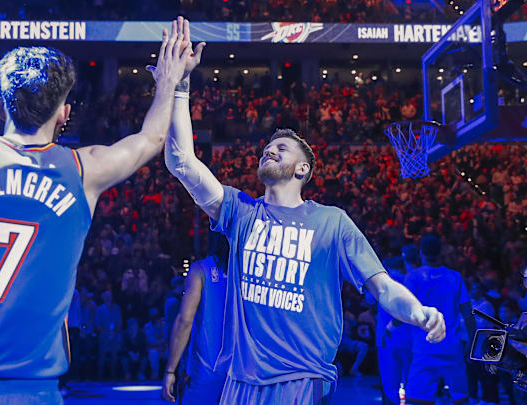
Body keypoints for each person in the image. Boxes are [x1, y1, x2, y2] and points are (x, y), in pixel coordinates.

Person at [0, 17, 194, 405]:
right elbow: (152, 138)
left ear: (0, 106)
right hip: (32, 394)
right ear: (64, 114)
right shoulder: (85, 169)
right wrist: (171, 80)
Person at [161, 80, 447, 403]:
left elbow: (383, 287)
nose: (270, 150)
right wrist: (181, 87)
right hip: (240, 384)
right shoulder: (240, 212)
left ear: (302, 169)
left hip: (300, 381)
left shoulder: (331, 222)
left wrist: (419, 312)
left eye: (281, 149)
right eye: (268, 147)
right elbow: (180, 161)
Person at [403, 235, 475, 405]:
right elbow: (468, 313)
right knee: (460, 398)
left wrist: (390, 328)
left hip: (423, 346)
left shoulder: (413, 277)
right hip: (452, 346)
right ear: (441, 252)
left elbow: (404, 312)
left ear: (421, 252)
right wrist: (472, 342)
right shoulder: (455, 277)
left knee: (418, 399)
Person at [162, 232, 229, 404]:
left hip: (205, 373)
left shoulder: (201, 270)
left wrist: (170, 370)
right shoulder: (249, 271)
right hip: (242, 374)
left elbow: (185, 320)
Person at [376, 256, 412, 405]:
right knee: (412, 381)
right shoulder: (410, 280)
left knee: (390, 384)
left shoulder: (381, 283)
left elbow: (369, 300)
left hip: (388, 338)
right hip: (409, 339)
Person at [467, 282, 498, 405]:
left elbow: (481, 325)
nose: (473, 291)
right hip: (469, 344)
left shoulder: (486, 305)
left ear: (481, 291)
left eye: (476, 288)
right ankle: (473, 397)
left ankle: (489, 399)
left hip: (482, 345)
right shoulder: (470, 304)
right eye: (472, 288)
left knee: (485, 374)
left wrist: (467, 321)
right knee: (472, 374)